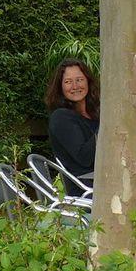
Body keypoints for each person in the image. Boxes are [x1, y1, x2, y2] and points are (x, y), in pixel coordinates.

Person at [45, 58, 99, 189]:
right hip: (86, 189)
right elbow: (85, 157)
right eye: (68, 82)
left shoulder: (95, 114)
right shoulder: (61, 117)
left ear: (88, 81)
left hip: (105, 180)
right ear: (60, 87)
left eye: (79, 80)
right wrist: (108, 124)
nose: (75, 86)